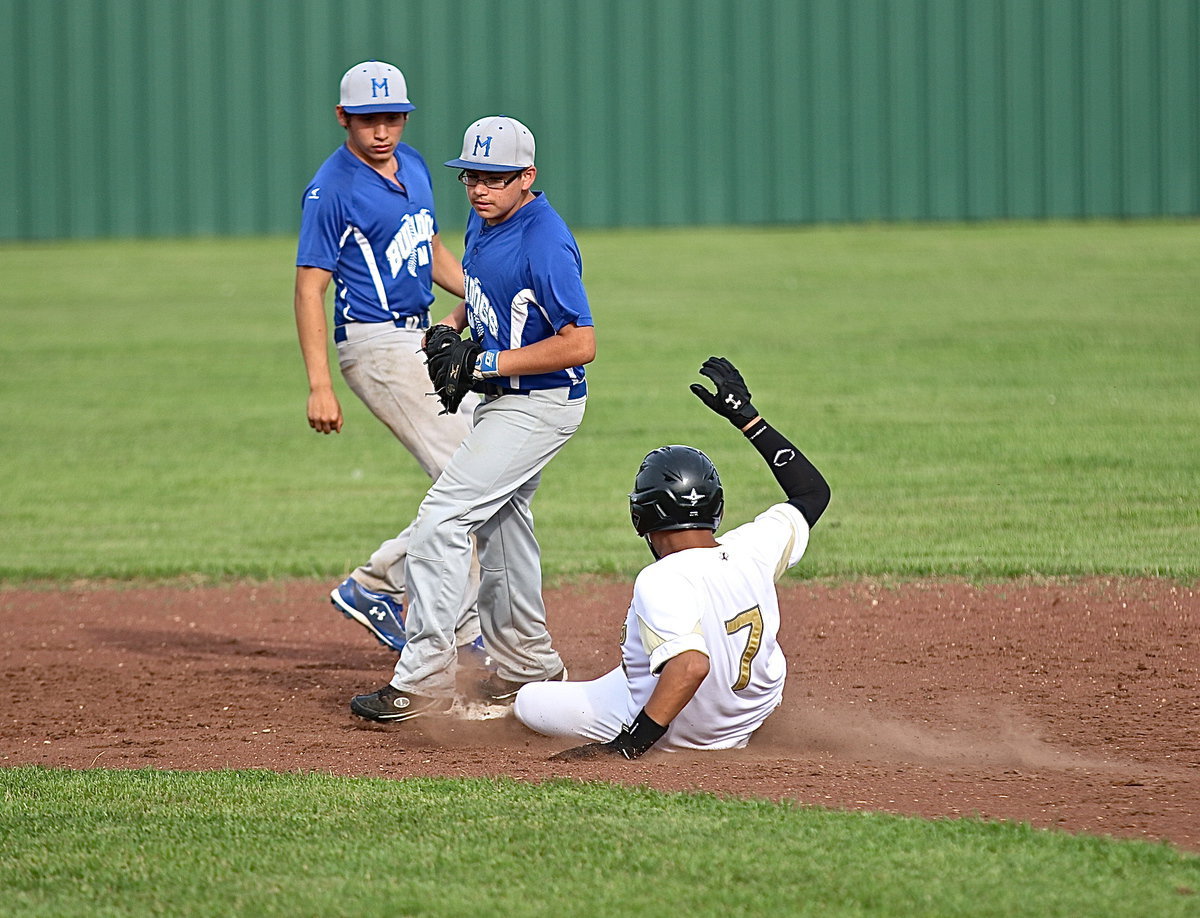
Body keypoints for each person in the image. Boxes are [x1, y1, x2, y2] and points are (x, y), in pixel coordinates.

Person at [350, 115, 596, 722]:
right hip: (504, 401)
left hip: (540, 403)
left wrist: (486, 358)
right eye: (471, 178)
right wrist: (452, 327)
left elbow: (581, 342)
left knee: (443, 517)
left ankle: (424, 679)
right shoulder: (485, 221)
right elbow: (481, 291)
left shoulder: (546, 240)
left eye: (495, 178)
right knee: (503, 531)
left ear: (527, 178)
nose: (480, 189)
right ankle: (528, 669)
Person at [514, 357, 831, 758]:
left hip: (680, 732)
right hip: (750, 716)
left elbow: (690, 667)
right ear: (715, 506)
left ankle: (634, 721)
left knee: (530, 701)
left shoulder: (661, 579)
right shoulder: (754, 547)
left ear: (640, 515)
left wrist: (627, 747)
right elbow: (812, 494)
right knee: (657, 652)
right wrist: (748, 420)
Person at [294, 60, 485, 659]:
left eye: (392, 117)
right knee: (471, 478)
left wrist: (481, 295)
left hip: (421, 337)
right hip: (376, 345)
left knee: (484, 474)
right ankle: (445, 622)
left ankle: (378, 584)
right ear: (342, 118)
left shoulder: (417, 165)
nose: (381, 130)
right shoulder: (333, 190)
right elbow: (309, 288)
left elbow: (426, 249)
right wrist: (319, 385)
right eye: (367, 118)